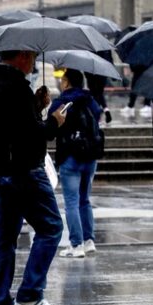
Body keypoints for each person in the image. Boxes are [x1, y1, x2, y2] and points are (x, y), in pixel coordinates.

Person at [0, 50, 66, 305]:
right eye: (33, 56)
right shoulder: (17, 88)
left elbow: (10, 127)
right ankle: (30, 292)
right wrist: (54, 121)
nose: (35, 62)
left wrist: (36, 107)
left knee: (5, 236)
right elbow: (32, 135)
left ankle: (1, 301)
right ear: (22, 56)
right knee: (51, 228)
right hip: (25, 171)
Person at [47, 70, 103, 259]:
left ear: (67, 82)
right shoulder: (90, 99)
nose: (61, 83)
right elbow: (98, 116)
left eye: (63, 79)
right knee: (84, 199)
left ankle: (76, 244)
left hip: (70, 156)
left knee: (71, 201)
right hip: (90, 155)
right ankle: (89, 241)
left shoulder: (62, 102)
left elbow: (51, 126)